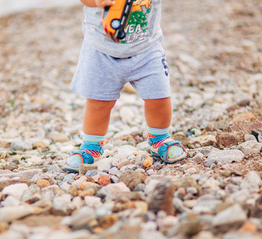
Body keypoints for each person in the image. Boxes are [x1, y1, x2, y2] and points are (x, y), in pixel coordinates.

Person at [65, 0, 186, 172]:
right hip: (101, 51)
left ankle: (160, 138)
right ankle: (91, 145)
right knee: (98, 103)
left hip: (146, 48)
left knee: (158, 97)